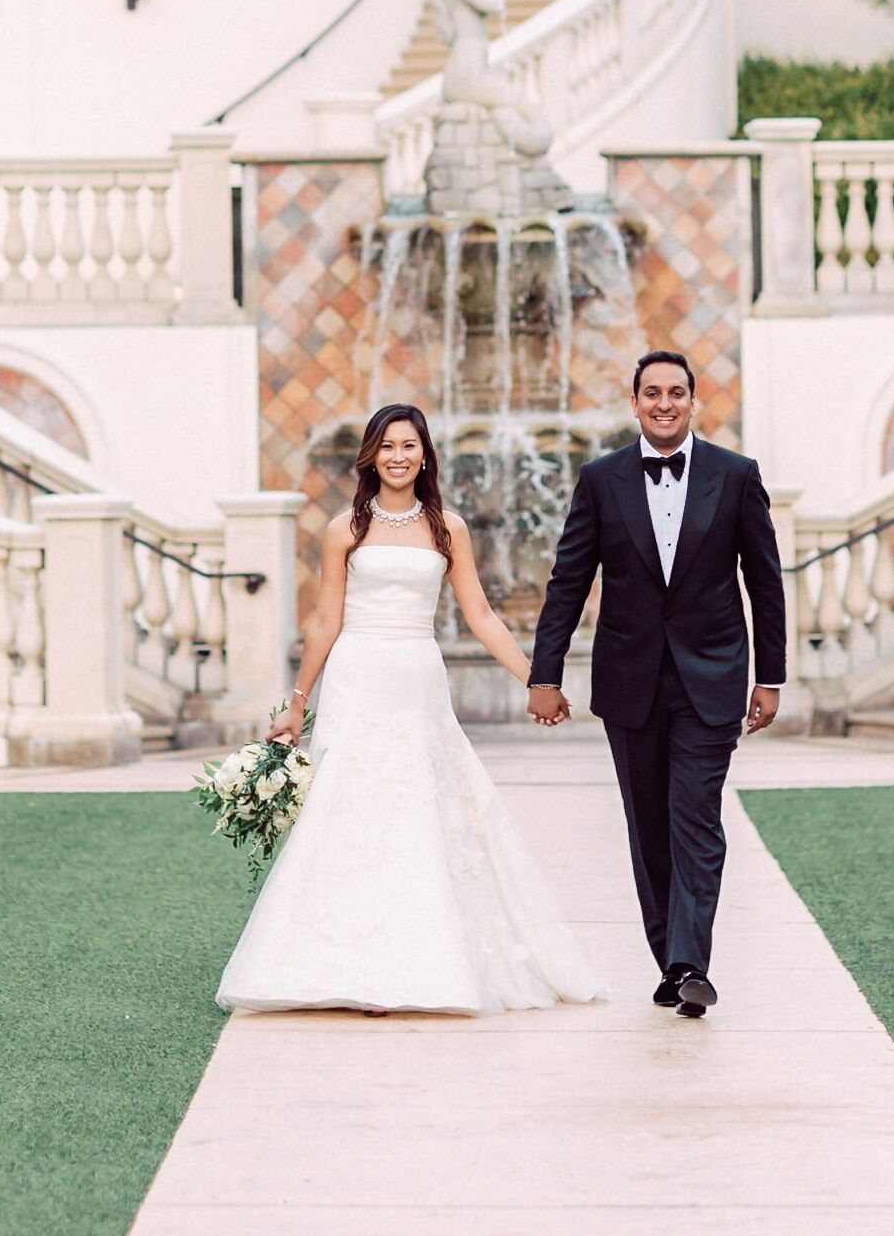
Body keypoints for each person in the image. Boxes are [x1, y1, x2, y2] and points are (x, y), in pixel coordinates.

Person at [215, 403, 607, 1016]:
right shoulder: (345, 529)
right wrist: (296, 705)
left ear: (425, 455)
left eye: (409, 445)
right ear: (371, 455)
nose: (399, 456)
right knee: (349, 805)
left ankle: (413, 967)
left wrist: (538, 679)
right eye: (387, 446)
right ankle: (337, 966)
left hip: (416, 679)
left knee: (419, 804)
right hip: (356, 678)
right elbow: (325, 619)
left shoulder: (448, 528)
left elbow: (479, 615)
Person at [526, 350, 786, 1021]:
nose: (664, 402)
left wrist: (771, 674)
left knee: (695, 815)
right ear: (634, 402)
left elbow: (763, 582)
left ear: (693, 401)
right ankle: (669, 954)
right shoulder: (601, 478)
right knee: (648, 825)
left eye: (676, 391)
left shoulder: (735, 475)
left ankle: (690, 961)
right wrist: (544, 673)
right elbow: (567, 580)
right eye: (651, 392)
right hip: (629, 681)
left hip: (713, 678)